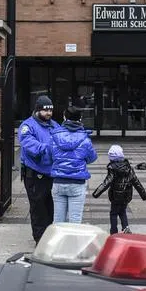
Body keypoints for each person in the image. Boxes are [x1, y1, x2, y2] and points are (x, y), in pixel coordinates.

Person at [18, 95, 61, 242]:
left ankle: (48, 236)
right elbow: (31, 146)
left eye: (50, 110)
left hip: (50, 172)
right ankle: (40, 239)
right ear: (37, 110)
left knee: (49, 205)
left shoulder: (54, 125)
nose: (48, 113)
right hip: (34, 174)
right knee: (38, 207)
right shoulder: (27, 126)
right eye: (45, 110)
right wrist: (49, 148)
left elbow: (62, 139)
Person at [50, 106, 96, 224]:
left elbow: (49, 156)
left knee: (58, 220)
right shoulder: (85, 138)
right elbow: (92, 158)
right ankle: (73, 243)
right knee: (75, 221)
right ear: (80, 119)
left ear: (64, 117)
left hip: (58, 181)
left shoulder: (54, 136)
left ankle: (58, 243)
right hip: (77, 183)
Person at [93, 145, 146, 234]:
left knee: (113, 213)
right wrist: (144, 195)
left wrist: (96, 193)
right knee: (122, 211)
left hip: (115, 196)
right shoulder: (129, 168)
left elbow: (107, 182)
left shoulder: (112, 168)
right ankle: (126, 228)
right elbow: (136, 182)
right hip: (126, 196)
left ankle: (113, 231)